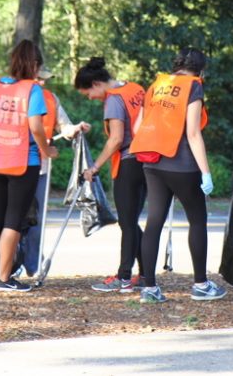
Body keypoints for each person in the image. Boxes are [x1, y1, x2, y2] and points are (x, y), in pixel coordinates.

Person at [130, 47, 227, 303]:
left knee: (154, 223)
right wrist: (206, 172)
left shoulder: (156, 85)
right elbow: (193, 133)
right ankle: (201, 285)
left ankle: (149, 289)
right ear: (201, 69)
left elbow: (138, 126)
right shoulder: (193, 86)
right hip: (182, 164)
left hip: (152, 162)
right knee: (197, 221)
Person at [0, 39, 58, 292]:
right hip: (22, 161)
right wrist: (46, 150)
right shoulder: (32, 90)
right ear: (34, 65)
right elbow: (35, 126)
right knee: (13, 220)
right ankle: (4, 278)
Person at [74, 57, 147, 292]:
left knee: (127, 223)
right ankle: (145, 273)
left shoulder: (113, 101)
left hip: (128, 163)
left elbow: (116, 139)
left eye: (87, 93)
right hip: (147, 160)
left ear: (96, 83)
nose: (89, 98)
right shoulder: (135, 88)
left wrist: (94, 167)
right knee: (131, 221)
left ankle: (123, 277)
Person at [19, 68, 91, 277]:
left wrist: (74, 129)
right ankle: (11, 264)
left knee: (35, 219)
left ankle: (33, 265)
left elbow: (64, 126)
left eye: (44, 80)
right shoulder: (16, 95)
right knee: (14, 218)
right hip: (13, 164)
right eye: (38, 79)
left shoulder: (51, 99)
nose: (42, 83)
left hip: (41, 167)